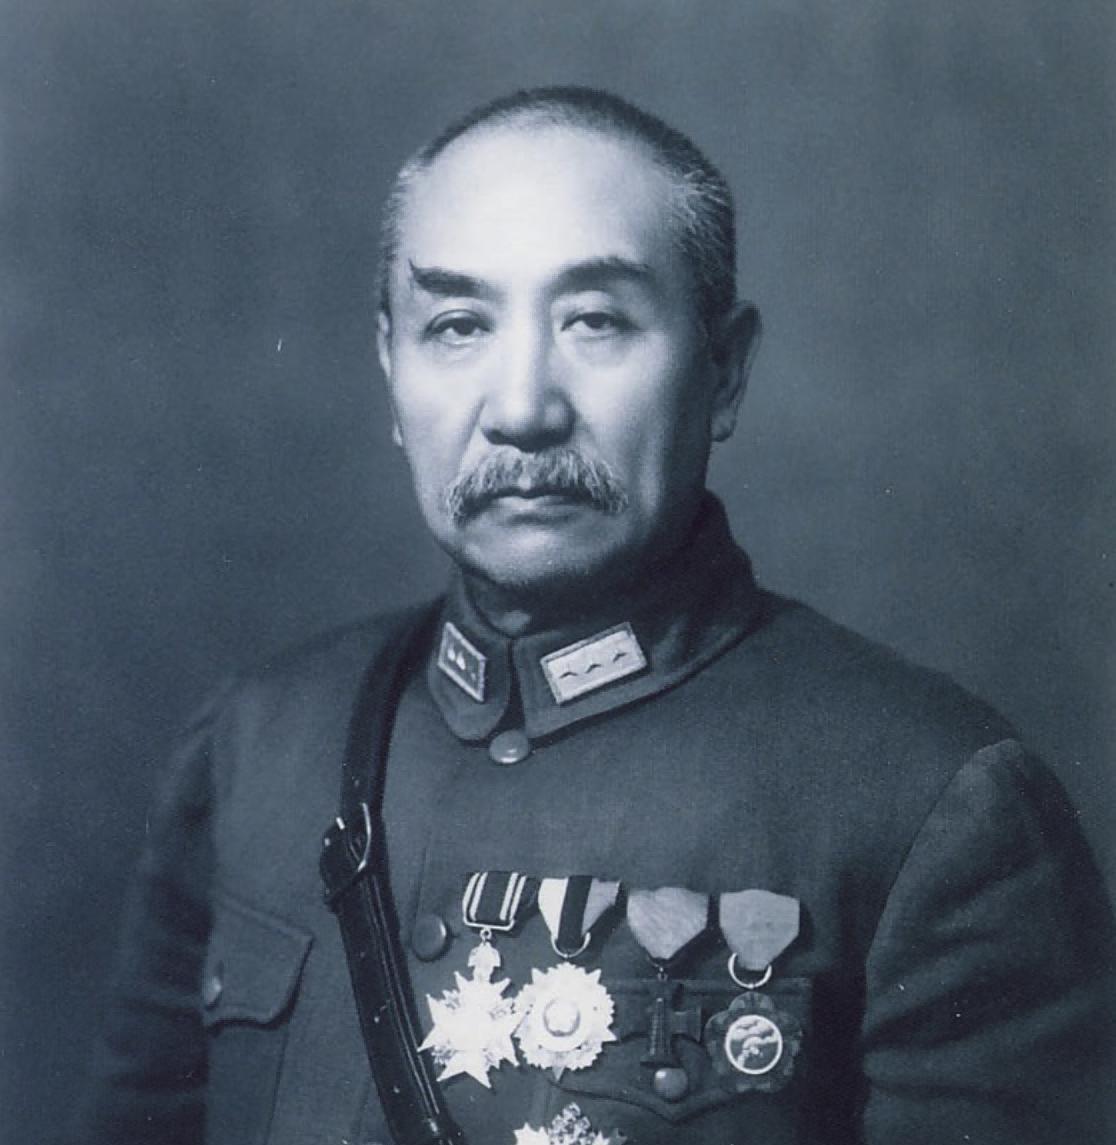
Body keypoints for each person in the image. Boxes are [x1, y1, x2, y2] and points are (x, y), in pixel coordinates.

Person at [77, 86, 1112, 1145]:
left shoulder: (928, 801)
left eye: (596, 321)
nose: (523, 408)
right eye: (458, 326)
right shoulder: (255, 745)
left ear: (723, 371)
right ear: (391, 368)